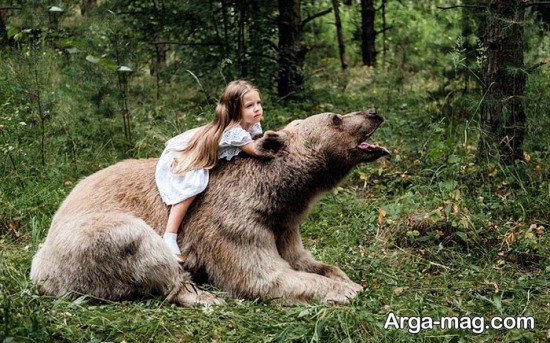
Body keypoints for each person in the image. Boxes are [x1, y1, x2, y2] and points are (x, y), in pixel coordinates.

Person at [155, 80, 265, 262]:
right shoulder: (235, 132)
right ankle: (170, 236)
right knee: (192, 187)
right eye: (249, 106)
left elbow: (257, 139)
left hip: (206, 143)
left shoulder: (251, 124)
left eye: (258, 103)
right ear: (235, 109)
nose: (257, 109)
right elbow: (257, 150)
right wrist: (284, 137)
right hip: (200, 155)